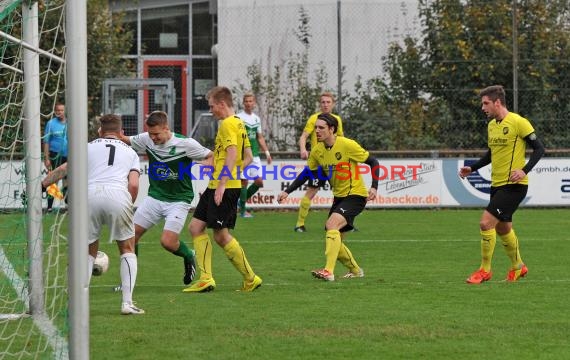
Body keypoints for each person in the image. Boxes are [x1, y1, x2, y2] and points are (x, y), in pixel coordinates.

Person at [277, 113, 379, 281]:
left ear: (332, 129)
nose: (316, 131)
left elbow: (373, 162)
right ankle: (355, 271)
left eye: (321, 128)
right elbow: (306, 174)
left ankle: (328, 271)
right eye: (316, 127)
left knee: (331, 225)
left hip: (356, 195)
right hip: (339, 197)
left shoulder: (347, 145)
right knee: (335, 242)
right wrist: (287, 191)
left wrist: (374, 187)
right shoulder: (317, 150)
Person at [459, 85, 545, 284]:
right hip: (497, 184)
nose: (483, 107)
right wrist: (472, 168)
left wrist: (524, 170)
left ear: (497, 102)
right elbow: (491, 154)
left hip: (514, 186)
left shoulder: (518, 122)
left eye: (486, 103)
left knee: (485, 223)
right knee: (503, 229)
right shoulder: (491, 126)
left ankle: (485, 270)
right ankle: (518, 266)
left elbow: (539, 149)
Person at [183, 86, 262, 293]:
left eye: (211, 106)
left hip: (223, 187)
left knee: (221, 235)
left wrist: (223, 183)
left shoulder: (228, 124)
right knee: (195, 228)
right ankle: (206, 278)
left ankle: (250, 278)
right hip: (218, 184)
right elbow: (248, 157)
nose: (211, 111)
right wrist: (220, 169)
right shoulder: (239, 123)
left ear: (221, 104)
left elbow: (232, 153)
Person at [120, 111, 213, 287]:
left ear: (166, 128)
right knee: (130, 236)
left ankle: (189, 255)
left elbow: (211, 155)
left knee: (167, 242)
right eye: (150, 134)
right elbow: (126, 139)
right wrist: (115, 134)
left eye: (156, 134)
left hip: (179, 199)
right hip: (155, 197)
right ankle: (128, 282)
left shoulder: (186, 144)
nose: (153, 138)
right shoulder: (146, 138)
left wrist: (207, 165)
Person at [88, 114, 144, 314]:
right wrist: (128, 203)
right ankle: (127, 303)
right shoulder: (130, 152)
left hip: (90, 195)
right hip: (118, 195)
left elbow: (65, 170)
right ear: (121, 133)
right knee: (127, 248)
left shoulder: (87, 147)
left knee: (88, 251)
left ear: (99, 131)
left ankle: (79, 303)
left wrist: (43, 185)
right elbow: (134, 184)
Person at [295, 92, 344, 232]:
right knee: (311, 192)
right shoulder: (314, 119)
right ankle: (299, 224)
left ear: (332, 104)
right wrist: (303, 149)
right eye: (323, 102)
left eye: (328, 102)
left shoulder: (337, 120)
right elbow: (303, 136)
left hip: (333, 163)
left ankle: (343, 223)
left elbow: (341, 140)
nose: (325, 104)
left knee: (342, 193)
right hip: (318, 163)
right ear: (320, 104)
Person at [237, 92, 272, 218]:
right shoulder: (238, 117)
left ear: (254, 103)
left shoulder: (256, 119)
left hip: (255, 154)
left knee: (259, 182)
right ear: (243, 103)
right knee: (244, 182)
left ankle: (240, 202)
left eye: (251, 101)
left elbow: (260, 137)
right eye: (246, 101)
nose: (248, 103)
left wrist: (267, 152)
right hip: (243, 154)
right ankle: (242, 211)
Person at [43, 103, 68, 212]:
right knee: (53, 181)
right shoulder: (51, 123)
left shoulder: (70, 123)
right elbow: (46, 142)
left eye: (61, 110)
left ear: (65, 111)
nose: (59, 112)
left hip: (68, 157)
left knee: (68, 182)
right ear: (55, 111)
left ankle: (68, 206)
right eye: (57, 110)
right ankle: (49, 207)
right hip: (55, 156)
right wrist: (46, 158)